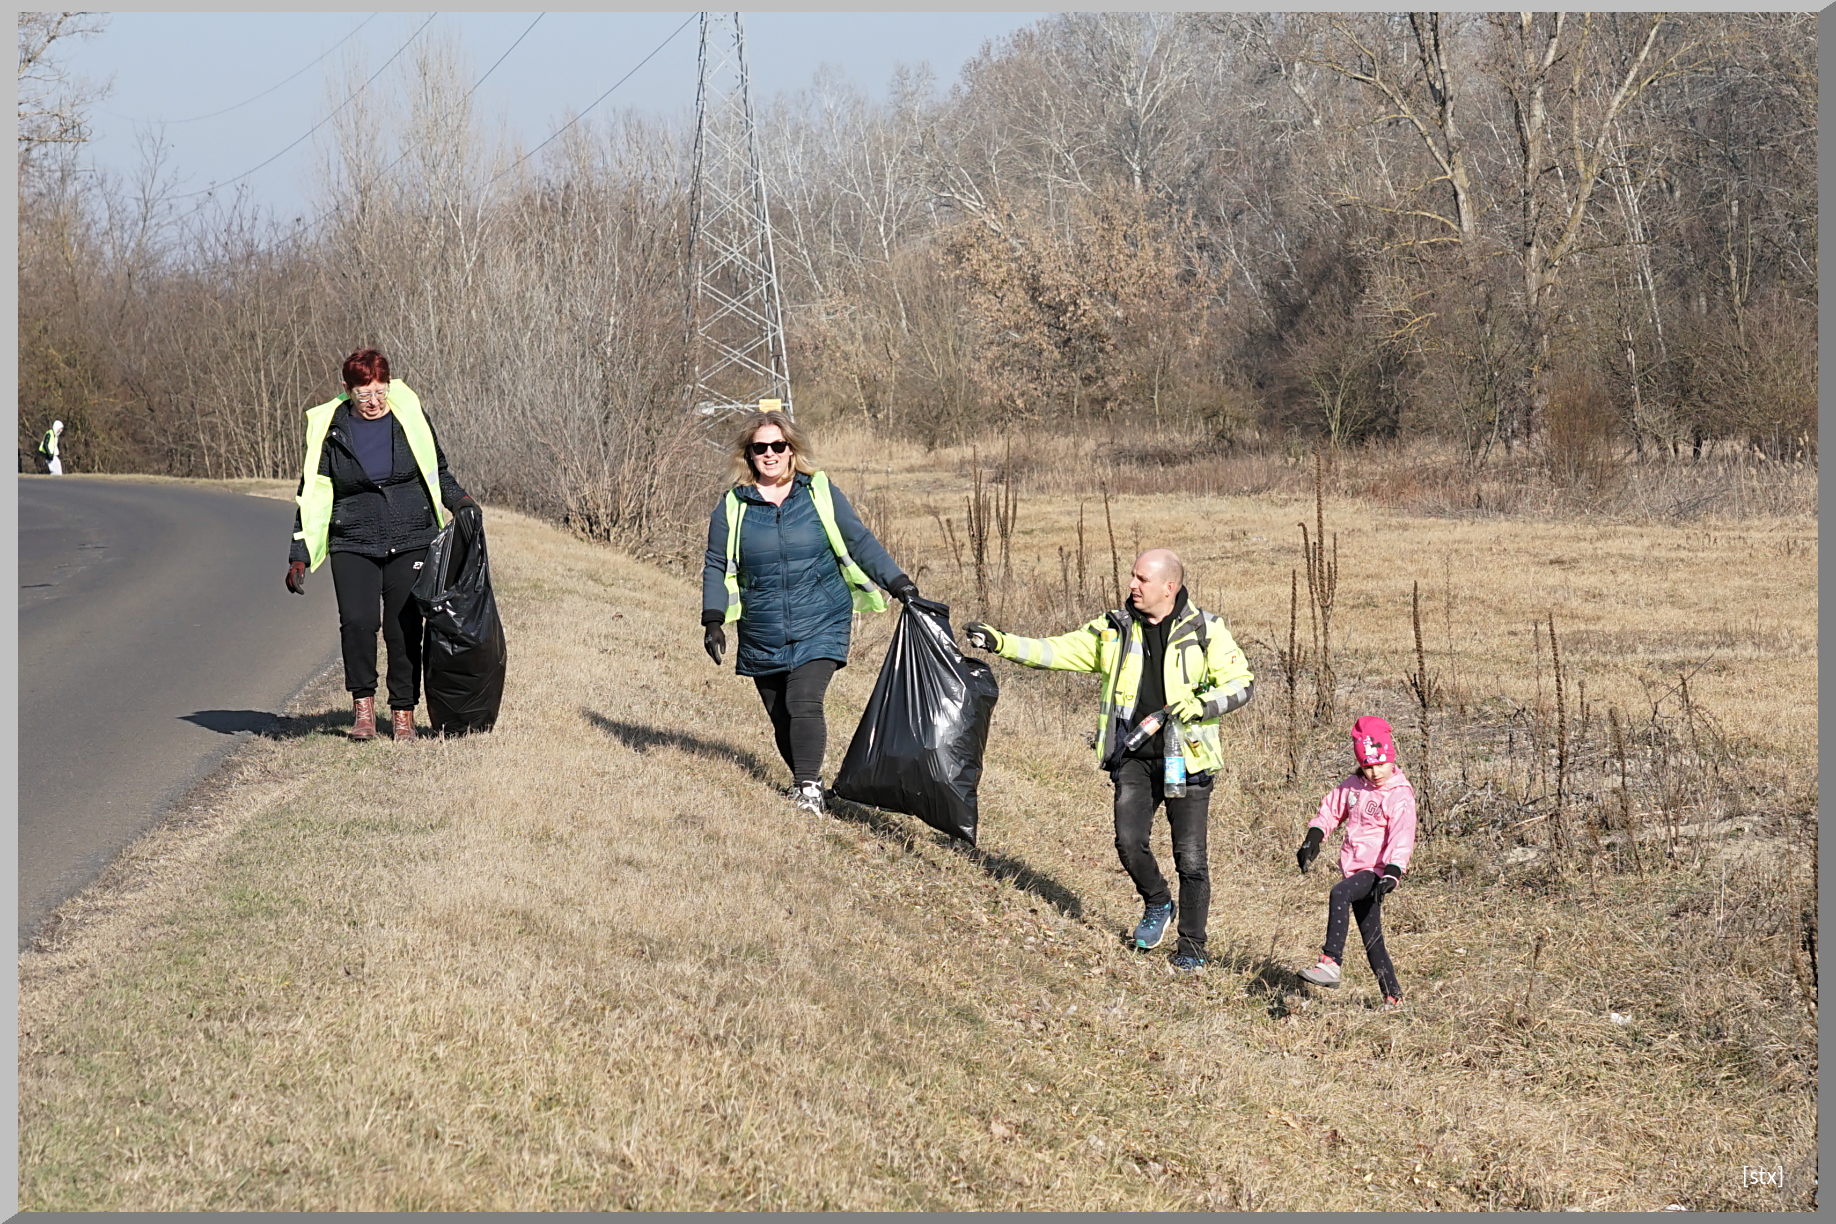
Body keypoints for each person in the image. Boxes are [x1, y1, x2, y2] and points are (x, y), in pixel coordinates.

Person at [964, 549, 1255, 972]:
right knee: (1128, 842)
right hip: (1134, 756)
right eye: (1132, 577)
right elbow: (1057, 650)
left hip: (1187, 760)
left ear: (1169, 587)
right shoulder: (1114, 630)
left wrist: (1202, 705)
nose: (1132, 585)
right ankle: (1158, 902)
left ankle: (1192, 947)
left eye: (1142, 579)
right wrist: (1003, 643)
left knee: (1190, 859)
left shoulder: (1206, 630)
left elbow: (1241, 682)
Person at [701, 406, 919, 815]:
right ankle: (811, 780)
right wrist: (713, 619)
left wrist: (900, 584)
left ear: (791, 450)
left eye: (777, 446)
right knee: (780, 714)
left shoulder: (818, 491)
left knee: (803, 701)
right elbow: (716, 563)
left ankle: (807, 791)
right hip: (761, 624)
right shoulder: (733, 505)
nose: (769, 454)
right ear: (748, 455)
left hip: (822, 617)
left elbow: (860, 540)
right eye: (760, 447)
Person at [284, 348, 479, 742]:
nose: (373, 402)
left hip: (410, 537)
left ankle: (403, 713)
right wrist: (299, 555)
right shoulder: (331, 429)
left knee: (404, 627)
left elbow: (436, 469)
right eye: (364, 395)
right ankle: (364, 711)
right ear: (347, 391)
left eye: (380, 392)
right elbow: (313, 493)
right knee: (357, 624)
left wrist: (460, 502)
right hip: (352, 539)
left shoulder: (409, 417)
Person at [1295, 715, 1418, 1009]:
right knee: (1372, 936)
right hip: (1355, 867)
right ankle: (1393, 997)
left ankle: (1330, 962)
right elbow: (1330, 811)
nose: (1375, 772)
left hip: (1377, 871)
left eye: (1380, 763)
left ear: (1391, 757)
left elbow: (1403, 835)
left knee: (1340, 893)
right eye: (1367, 765)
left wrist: (1393, 871)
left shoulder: (1399, 796)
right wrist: (1313, 838)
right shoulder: (1354, 786)